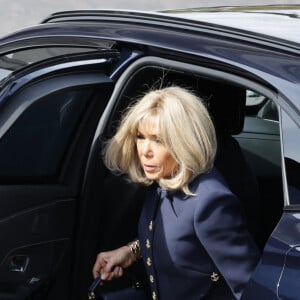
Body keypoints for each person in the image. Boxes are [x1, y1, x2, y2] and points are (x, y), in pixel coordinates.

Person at [92, 86, 260, 300]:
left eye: (159, 140)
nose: (145, 151)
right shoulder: (163, 180)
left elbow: (250, 289)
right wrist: (131, 251)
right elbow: (182, 243)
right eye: (141, 137)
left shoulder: (210, 202)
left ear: (184, 141)